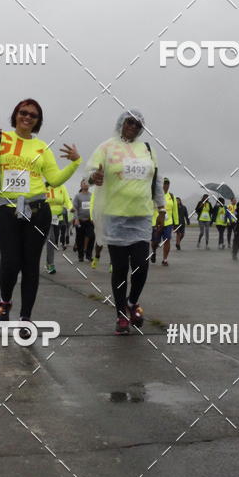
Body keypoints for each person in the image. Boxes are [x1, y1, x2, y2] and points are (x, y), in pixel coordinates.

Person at [0, 98, 80, 324]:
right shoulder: (0, 139)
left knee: (31, 265)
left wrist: (75, 163)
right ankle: (5, 301)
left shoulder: (41, 148)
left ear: (37, 121)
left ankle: (26, 316)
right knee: (10, 262)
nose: (27, 117)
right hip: (7, 210)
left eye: (32, 115)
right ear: (15, 115)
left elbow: (55, 180)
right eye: (23, 112)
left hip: (38, 211)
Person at [88, 109, 165, 335]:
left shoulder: (147, 149)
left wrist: (161, 208)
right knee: (120, 269)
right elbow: (90, 172)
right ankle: (121, 314)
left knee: (141, 265)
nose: (133, 126)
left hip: (141, 216)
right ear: (121, 122)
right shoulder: (107, 147)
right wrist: (94, 177)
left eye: (138, 124)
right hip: (115, 217)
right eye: (130, 122)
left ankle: (132, 302)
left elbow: (156, 180)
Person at [45, 183, 74, 273]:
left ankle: (47, 263)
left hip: (57, 218)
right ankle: (50, 264)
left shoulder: (62, 187)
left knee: (53, 240)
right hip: (45, 217)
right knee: (50, 239)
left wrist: (71, 207)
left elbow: (67, 200)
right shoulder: (44, 187)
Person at [151, 178, 178, 266]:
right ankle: (154, 251)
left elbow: (175, 210)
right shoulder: (155, 195)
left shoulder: (172, 196)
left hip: (168, 222)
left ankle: (165, 259)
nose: (166, 186)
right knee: (155, 242)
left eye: (167, 184)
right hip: (157, 222)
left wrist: (176, 223)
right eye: (164, 184)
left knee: (167, 240)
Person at [72, 180, 95, 262]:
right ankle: (80, 256)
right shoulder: (78, 196)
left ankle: (89, 255)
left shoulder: (92, 196)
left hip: (89, 221)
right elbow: (75, 208)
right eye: (83, 183)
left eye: (87, 183)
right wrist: (76, 219)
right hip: (80, 220)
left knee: (91, 236)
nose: (85, 185)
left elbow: (94, 208)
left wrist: (94, 218)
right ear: (81, 185)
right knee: (79, 238)